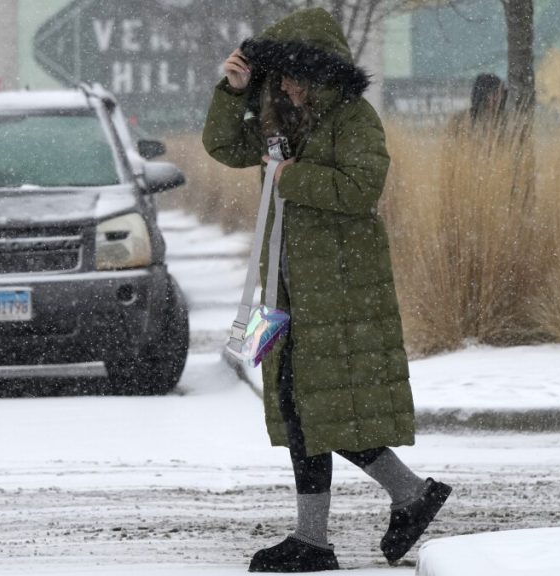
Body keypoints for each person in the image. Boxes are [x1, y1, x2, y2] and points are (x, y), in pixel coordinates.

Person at [202, 7, 452, 573]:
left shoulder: (353, 118)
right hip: (289, 289)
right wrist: (233, 89)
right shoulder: (276, 117)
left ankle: (391, 504)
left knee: (320, 409)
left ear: (323, 72)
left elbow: (362, 187)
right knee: (297, 408)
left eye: (299, 76)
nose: (288, 86)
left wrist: (293, 177)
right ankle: (337, 528)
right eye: (281, 75)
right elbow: (222, 146)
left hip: (342, 287)